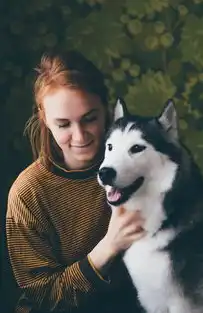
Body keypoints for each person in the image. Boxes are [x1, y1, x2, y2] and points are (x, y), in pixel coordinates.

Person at [6, 50, 145, 313]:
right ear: (44, 119)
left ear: (106, 109)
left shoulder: (140, 163)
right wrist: (109, 247)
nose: (80, 136)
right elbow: (43, 298)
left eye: (89, 119)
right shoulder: (28, 193)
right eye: (63, 125)